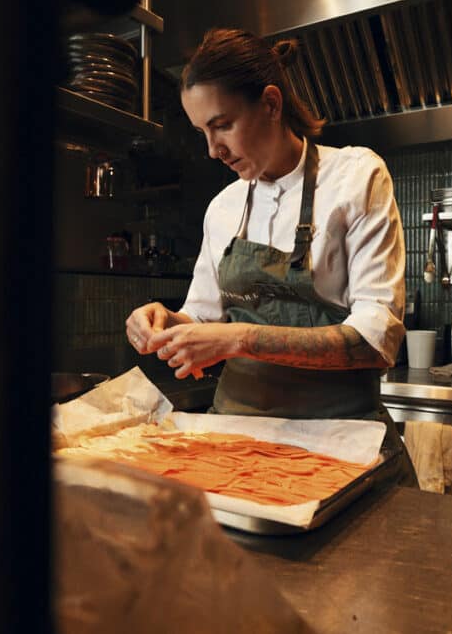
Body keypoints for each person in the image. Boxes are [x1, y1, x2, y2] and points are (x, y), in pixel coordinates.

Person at [125, 28, 416, 485]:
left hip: (339, 441)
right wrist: (163, 322)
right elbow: (201, 323)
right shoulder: (221, 209)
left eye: (222, 124)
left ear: (272, 104)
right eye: (202, 131)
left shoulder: (357, 178)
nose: (212, 150)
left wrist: (240, 338)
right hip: (234, 441)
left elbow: (376, 342)